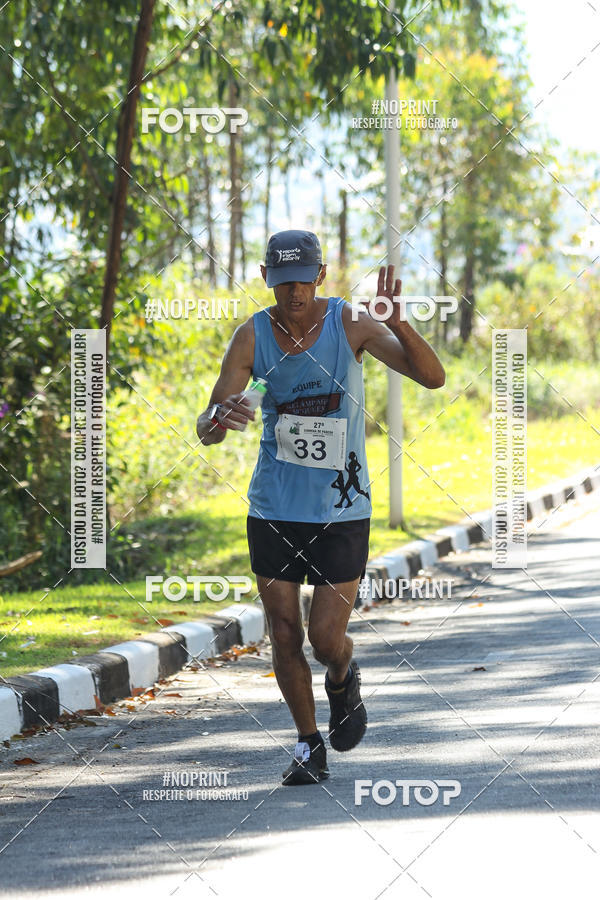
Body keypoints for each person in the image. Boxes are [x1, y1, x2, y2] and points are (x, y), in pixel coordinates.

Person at [196, 229, 445, 785]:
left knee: (325, 638)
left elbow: (433, 378)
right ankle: (308, 744)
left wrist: (399, 322)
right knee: (284, 632)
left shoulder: (350, 323)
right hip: (274, 507)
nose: (295, 293)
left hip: (341, 508)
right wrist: (218, 419)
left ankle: (342, 674)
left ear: (321, 276)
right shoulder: (251, 337)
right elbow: (208, 426)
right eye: (284, 282)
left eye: (304, 281)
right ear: (267, 278)